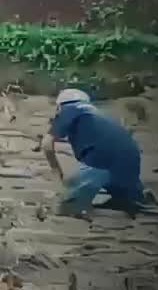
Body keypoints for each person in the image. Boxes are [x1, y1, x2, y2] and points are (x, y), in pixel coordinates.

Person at [41, 88, 147, 217]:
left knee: (63, 208)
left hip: (102, 160)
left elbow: (47, 144)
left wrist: (57, 173)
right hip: (131, 158)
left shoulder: (70, 108)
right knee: (131, 201)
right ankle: (132, 197)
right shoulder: (97, 113)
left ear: (59, 106)